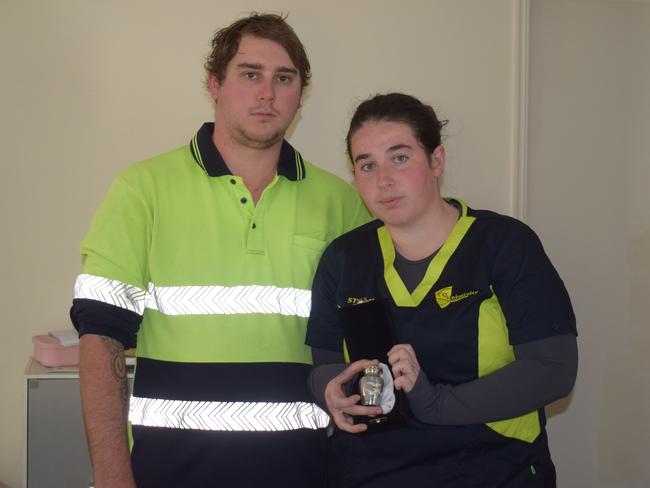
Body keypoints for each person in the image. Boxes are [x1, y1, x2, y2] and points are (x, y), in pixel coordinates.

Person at [70, 13, 369, 488]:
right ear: (215, 83)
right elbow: (100, 340)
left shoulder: (342, 201)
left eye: (283, 78)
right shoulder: (143, 189)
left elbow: (367, 338)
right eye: (251, 75)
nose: (267, 93)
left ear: (300, 93)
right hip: (169, 468)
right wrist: (111, 476)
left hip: (304, 469)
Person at [306, 93, 578, 487]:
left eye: (399, 158)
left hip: (492, 469)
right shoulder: (344, 258)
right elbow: (325, 365)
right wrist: (328, 391)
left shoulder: (503, 244)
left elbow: (553, 371)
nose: (383, 180)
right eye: (367, 165)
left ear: (436, 161)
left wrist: (435, 403)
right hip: (372, 471)